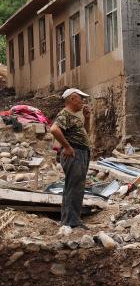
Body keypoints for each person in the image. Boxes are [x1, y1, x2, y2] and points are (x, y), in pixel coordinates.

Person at [50, 88, 92, 233]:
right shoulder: (65, 114)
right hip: (74, 154)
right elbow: (54, 129)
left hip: (80, 153)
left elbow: (85, 133)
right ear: (73, 99)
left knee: (76, 187)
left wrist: (87, 118)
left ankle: (72, 220)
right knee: (74, 187)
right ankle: (70, 221)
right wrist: (67, 147)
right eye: (81, 99)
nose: (83, 102)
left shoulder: (74, 116)